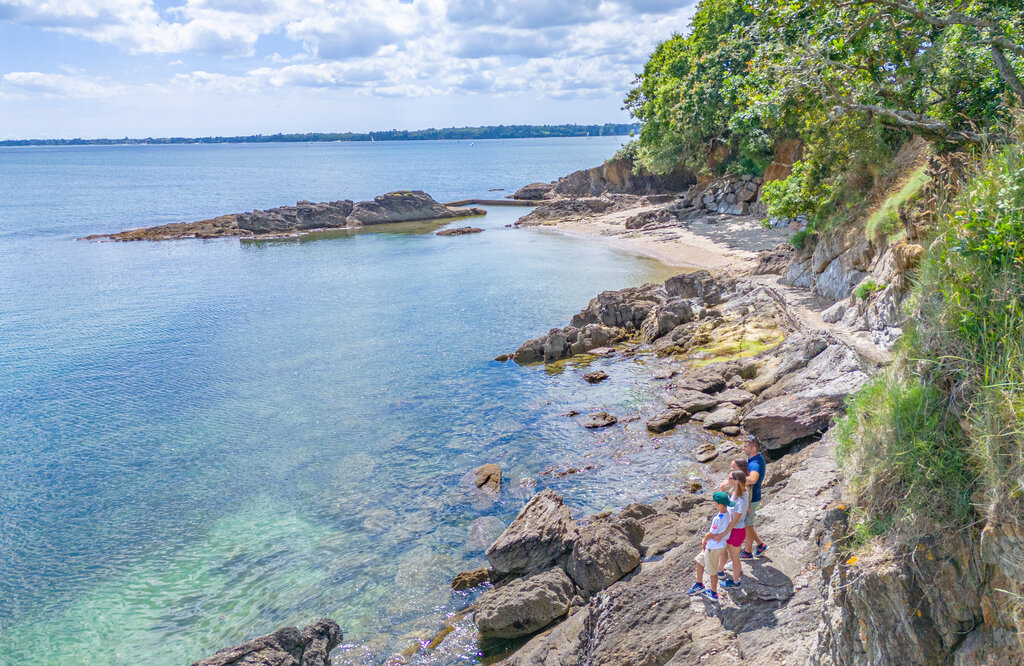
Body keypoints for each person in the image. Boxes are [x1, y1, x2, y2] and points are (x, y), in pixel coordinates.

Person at [686, 490, 732, 601]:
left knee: (712, 571)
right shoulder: (728, 514)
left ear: (720, 505)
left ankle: (713, 593)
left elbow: (711, 533)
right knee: (699, 561)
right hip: (717, 546)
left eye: (715, 502)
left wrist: (704, 540)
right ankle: (699, 584)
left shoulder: (718, 519)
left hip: (713, 547)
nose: (714, 504)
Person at [717, 470, 747, 589]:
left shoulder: (740, 498)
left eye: (729, 478)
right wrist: (722, 490)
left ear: (736, 481)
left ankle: (735, 582)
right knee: (726, 553)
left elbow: (735, 520)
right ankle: (722, 571)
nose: (727, 479)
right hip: (732, 530)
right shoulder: (736, 492)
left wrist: (723, 533)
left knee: (735, 558)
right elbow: (728, 505)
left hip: (736, 531)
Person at [741, 438, 767, 559]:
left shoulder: (755, 463)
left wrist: (735, 480)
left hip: (752, 497)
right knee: (748, 524)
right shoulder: (756, 458)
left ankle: (747, 552)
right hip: (754, 495)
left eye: (746, 447)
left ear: (754, 448)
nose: (743, 448)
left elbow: (753, 479)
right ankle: (761, 545)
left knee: (748, 524)